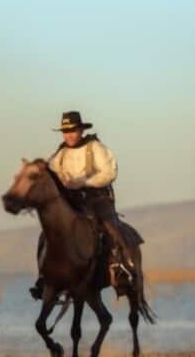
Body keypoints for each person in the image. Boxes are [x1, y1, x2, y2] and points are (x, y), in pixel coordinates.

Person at [30, 111, 134, 298]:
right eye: (65, 131)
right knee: (46, 234)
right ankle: (44, 277)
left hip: (97, 198)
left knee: (110, 228)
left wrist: (84, 182)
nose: (69, 135)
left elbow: (110, 172)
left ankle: (122, 270)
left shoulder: (96, 148)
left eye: (72, 130)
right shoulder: (59, 154)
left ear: (80, 130)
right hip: (73, 201)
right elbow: (50, 176)